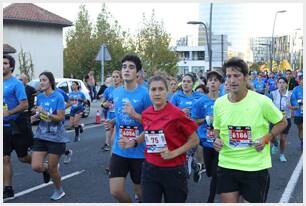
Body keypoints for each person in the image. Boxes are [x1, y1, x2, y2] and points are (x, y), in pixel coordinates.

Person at [213, 57, 287, 203]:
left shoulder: (262, 101)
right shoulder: (219, 103)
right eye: (229, 76)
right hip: (227, 164)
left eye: (237, 76)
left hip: (255, 166)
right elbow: (217, 127)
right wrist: (217, 139)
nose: (232, 80)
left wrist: (266, 138)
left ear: (246, 78)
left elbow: (282, 122)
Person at [119, 75, 199, 202]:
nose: (157, 93)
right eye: (153, 89)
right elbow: (148, 132)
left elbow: (194, 140)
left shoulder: (177, 114)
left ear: (167, 92)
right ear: (149, 92)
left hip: (174, 170)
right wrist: (133, 142)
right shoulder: (146, 113)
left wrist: (174, 153)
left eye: (161, 89)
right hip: (150, 168)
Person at [103, 54, 152, 203]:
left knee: (141, 192)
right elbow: (120, 117)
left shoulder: (145, 94)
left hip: (139, 151)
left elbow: (152, 123)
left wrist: (135, 115)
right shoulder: (116, 92)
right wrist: (112, 122)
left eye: (131, 67)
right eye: (124, 67)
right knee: (116, 191)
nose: (126, 70)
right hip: (120, 149)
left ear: (138, 72)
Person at [30, 71, 68, 200]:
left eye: (44, 80)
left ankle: (59, 190)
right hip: (41, 135)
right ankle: (48, 169)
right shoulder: (40, 97)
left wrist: (46, 113)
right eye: (40, 80)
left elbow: (61, 118)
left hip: (56, 137)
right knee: (35, 166)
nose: (41, 82)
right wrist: (35, 117)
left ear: (50, 82)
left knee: (53, 169)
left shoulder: (58, 97)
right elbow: (41, 115)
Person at [3, 55, 32, 201]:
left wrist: (9, 112)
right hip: (3, 126)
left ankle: (45, 167)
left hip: (17, 126)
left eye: (5, 63)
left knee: (23, 158)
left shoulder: (16, 84)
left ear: (11, 67)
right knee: (5, 158)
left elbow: (24, 104)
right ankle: (8, 188)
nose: (2, 65)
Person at [191, 70, 223, 202]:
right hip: (205, 142)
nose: (213, 82)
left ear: (220, 83)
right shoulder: (200, 101)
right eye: (210, 80)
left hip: (219, 142)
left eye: (216, 80)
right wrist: (206, 119)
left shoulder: (225, 100)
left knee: (216, 173)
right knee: (210, 172)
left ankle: (210, 200)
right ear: (207, 83)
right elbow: (194, 121)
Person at [170, 73, 203, 178]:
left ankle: (185, 177)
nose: (186, 84)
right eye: (184, 81)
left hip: (194, 134)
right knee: (183, 156)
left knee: (186, 157)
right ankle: (196, 167)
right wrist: (180, 111)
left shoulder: (199, 97)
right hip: (180, 133)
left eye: (188, 82)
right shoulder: (176, 96)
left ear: (193, 84)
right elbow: (168, 112)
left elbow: (207, 108)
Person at [270, 77, 293, 161]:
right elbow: (267, 105)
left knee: (283, 139)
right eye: (279, 82)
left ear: (286, 84)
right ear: (277, 84)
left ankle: (282, 155)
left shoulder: (290, 94)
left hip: (286, 119)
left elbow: (297, 106)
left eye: (283, 82)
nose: (281, 84)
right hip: (274, 119)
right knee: (271, 137)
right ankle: (275, 144)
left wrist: (292, 107)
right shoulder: (273, 94)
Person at [101, 71, 122, 151]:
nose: (115, 79)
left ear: (121, 79)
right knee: (112, 141)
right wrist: (104, 104)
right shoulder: (108, 90)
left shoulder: (124, 89)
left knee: (116, 139)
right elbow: (102, 103)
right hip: (110, 115)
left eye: (117, 77)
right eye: (113, 77)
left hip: (120, 117)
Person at [290, 72, 303, 151]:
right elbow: (293, 99)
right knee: (300, 128)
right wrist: (299, 102)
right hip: (298, 112)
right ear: (300, 81)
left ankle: (303, 143)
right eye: (302, 80)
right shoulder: (296, 89)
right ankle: (301, 140)